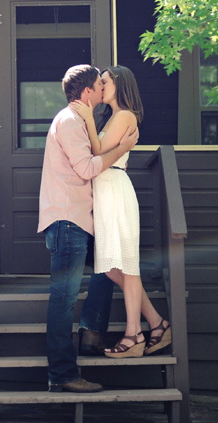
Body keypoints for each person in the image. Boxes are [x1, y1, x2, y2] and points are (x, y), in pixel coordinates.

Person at [39, 64, 139, 393]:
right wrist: (122, 150)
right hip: (68, 221)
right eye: (99, 84)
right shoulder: (70, 122)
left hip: (78, 220)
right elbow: (86, 168)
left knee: (105, 269)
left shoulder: (78, 122)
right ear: (87, 92)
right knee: (63, 300)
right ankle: (64, 374)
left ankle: (91, 337)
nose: (102, 89)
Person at [71, 66, 172, 358]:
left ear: (119, 84)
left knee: (126, 265)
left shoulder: (124, 115)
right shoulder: (113, 117)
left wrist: (88, 117)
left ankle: (134, 334)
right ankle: (156, 323)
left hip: (114, 188)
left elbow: (98, 148)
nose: (101, 86)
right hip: (105, 190)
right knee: (113, 267)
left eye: (104, 81)